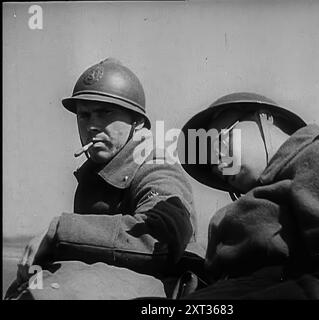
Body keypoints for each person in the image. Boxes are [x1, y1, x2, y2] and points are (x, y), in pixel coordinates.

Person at [5, 58, 204, 300]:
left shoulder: (155, 167)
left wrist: (58, 232)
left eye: (105, 113)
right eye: (84, 115)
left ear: (137, 122)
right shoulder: (96, 175)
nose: (92, 126)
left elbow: (160, 239)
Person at [177, 92, 319, 299]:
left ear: (265, 118)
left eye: (219, 143)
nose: (216, 165)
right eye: (210, 161)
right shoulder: (262, 197)